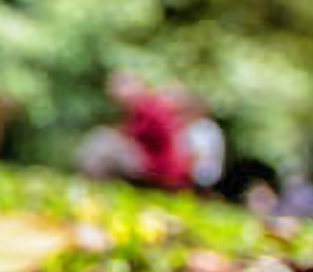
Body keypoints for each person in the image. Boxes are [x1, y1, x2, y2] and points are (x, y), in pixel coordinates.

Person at [77, 71, 224, 193]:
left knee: (103, 141)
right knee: (103, 141)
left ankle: (89, 187)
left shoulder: (152, 109)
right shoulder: (144, 111)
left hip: (161, 170)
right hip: (158, 168)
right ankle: (94, 186)